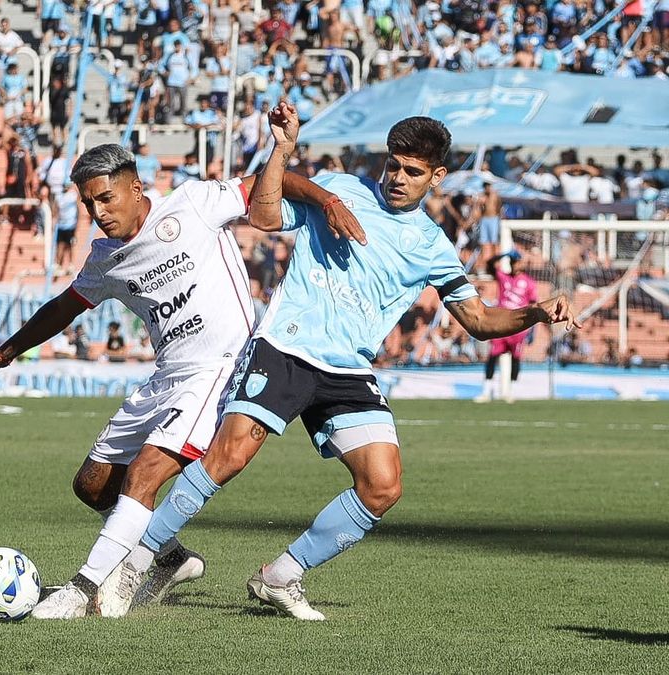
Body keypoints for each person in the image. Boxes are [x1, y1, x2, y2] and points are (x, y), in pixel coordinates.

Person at [99, 112, 580, 622]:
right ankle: (134, 559)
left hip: (348, 370)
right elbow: (263, 217)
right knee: (230, 456)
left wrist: (534, 312)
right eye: (393, 165)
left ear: (437, 177)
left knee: (382, 485)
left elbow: (479, 320)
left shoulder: (434, 246)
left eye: (412, 171)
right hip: (287, 346)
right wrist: (282, 150)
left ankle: (280, 576)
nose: (397, 178)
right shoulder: (341, 189)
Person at [0, 140, 365, 620]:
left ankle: (83, 588)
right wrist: (7, 351)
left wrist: (328, 200)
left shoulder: (193, 204)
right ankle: (173, 559)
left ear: (136, 188)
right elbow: (64, 307)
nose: (98, 211)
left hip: (221, 366)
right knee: (92, 486)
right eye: (89, 203)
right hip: (167, 375)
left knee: (146, 473)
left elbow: (265, 185)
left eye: (106, 198)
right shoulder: (106, 258)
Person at [474, 251, 539, 403]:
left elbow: (533, 305)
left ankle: (511, 392)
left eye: (517, 262)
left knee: (516, 359)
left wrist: (533, 329)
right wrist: (502, 255)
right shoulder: (503, 277)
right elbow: (489, 264)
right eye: (512, 261)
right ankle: (486, 391)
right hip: (501, 324)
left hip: (518, 327)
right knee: (492, 357)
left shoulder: (529, 282)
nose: (515, 264)